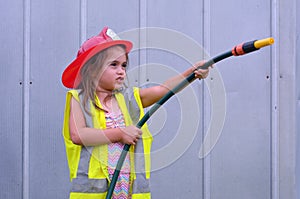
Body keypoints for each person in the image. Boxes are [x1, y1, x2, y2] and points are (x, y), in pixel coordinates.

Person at [61, 27, 211, 199]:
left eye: (124, 65)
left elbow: (164, 89)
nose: (121, 71)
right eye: (113, 65)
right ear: (92, 69)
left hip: (128, 192)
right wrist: (119, 133)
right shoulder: (79, 99)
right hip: (95, 194)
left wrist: (192, 73)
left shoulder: (129, 99)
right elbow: (78, 135)